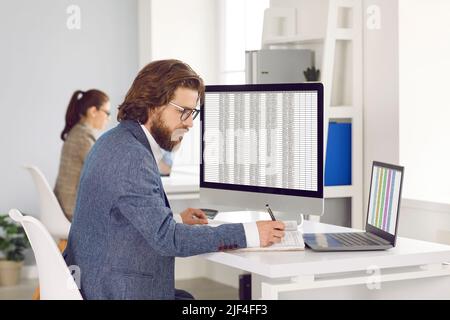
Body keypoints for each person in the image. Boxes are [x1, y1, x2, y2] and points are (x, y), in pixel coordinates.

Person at [63, 59, 285, 300]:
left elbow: (122, 217)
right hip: (113, 290)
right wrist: (250, 233)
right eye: (184, 112)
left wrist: (176, 219)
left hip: (95, 281)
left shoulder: (114, 141)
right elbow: (168, 240)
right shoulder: (132, 157)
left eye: (194, 113)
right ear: (152, 105)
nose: (190, 123)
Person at [54, 89, 110, 221]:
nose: (109, 118)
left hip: (64, 207)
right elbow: (103, 173)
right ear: (93, 111)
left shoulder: (78, 132)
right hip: (72, 211)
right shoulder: (83, 137)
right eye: (107, 112)